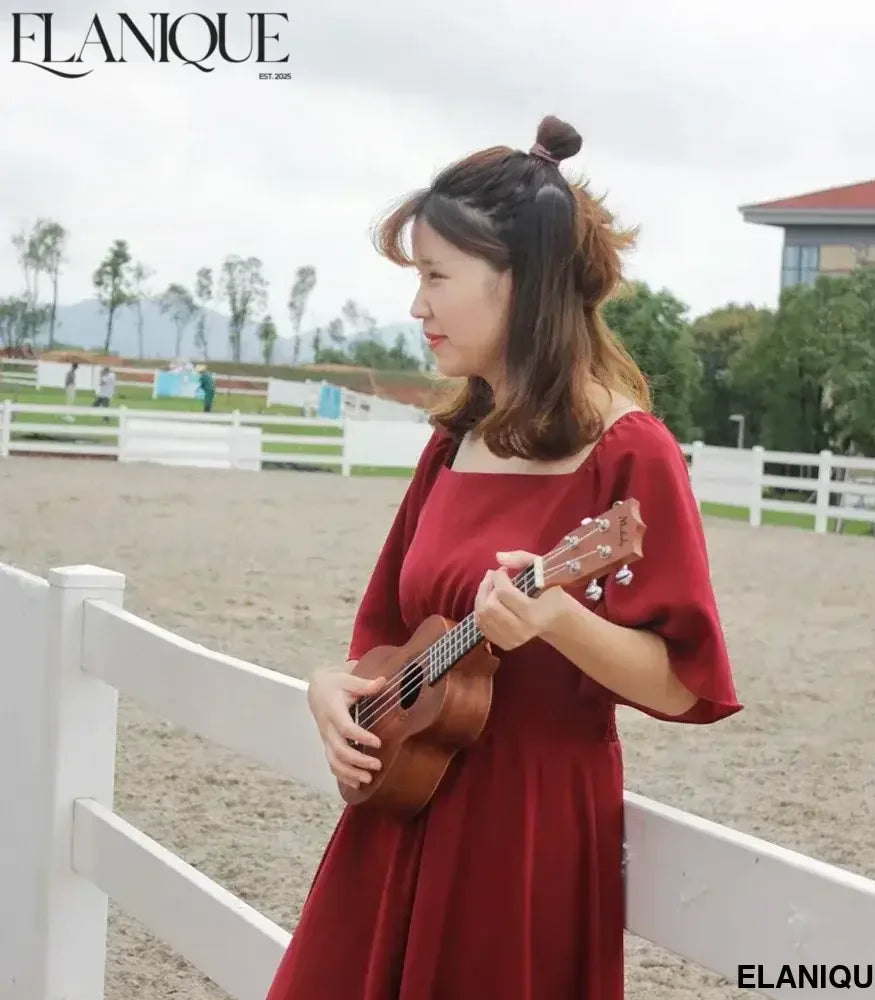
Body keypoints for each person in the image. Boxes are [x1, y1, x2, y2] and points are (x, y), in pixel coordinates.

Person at [266, 115, 742, 1000]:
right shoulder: (452, 443)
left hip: (524, 834)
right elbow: (386, 632)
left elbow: (685, 683)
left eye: (436, 276)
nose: (418, 307)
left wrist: (558, 618)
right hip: (397, 813)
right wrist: (331, 689)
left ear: (521, 280)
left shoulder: (630, 452)